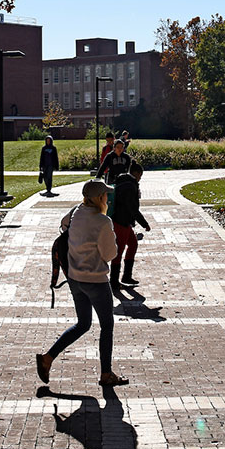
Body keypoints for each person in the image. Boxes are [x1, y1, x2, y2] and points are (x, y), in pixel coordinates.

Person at [37, 180, 128, 387]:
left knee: (83, 323)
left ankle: (47, 358)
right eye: (106, 195)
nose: (108, 198)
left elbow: (63, 225)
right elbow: (110, 254)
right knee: (107, 326)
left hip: (75, 279)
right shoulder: (103, 222)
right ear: (99, 198)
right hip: (96, 280)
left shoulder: (76, 212)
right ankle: (106, 374)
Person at [109, 161, 151, 289]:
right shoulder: (129, 186)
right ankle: (114, 281)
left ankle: (126, 276)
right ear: (136, 173)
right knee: (119, 251)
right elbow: (132, 208)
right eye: (140, 176)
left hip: (124, 222)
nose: (140, 179)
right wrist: (144, 223)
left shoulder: (124, 182)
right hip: (121, 222)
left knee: (133, 244)